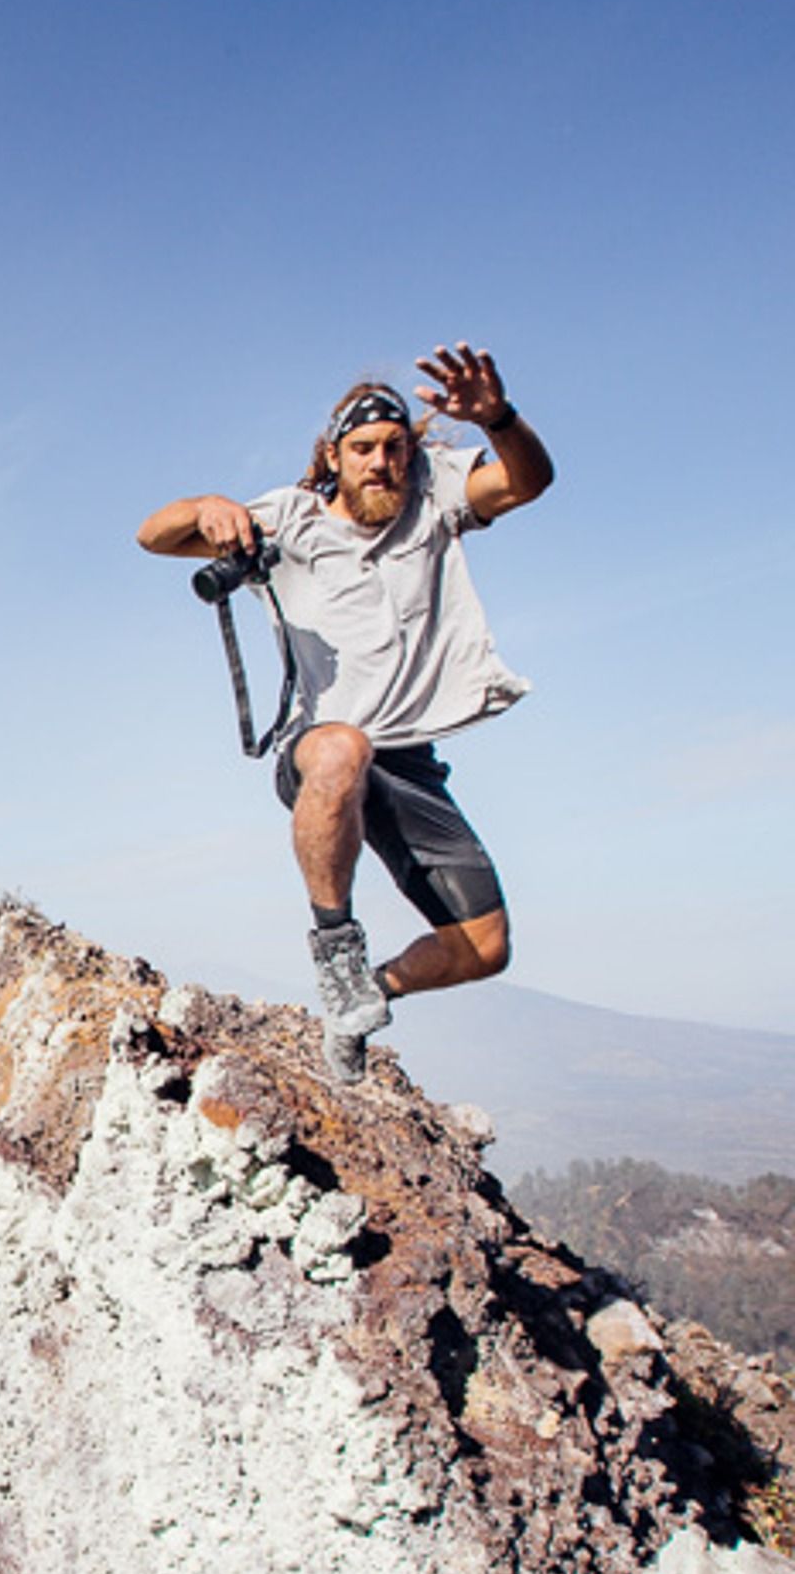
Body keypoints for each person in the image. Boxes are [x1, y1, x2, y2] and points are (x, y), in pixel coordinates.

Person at [136, 343, 554, 1082]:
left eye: (395, 447)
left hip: (409, 761)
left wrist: (499, 418)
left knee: (484, 949)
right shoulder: (289, 520)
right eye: (363, 448)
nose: (381, 462)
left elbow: (529, 482)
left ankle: (364, 994)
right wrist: (206, 505)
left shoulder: (434, 505)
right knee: (342, 749)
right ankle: (337, 949)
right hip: (320, 749)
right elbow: (154, 535)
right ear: (333, 455)